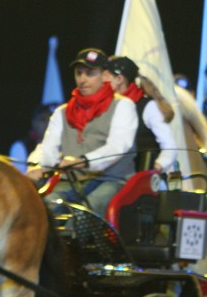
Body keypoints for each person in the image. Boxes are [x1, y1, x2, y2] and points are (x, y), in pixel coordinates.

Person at [26, 48, 138, 218]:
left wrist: (84, 161)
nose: (82, 79)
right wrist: (38, 166)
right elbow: (48, 147)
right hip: (71, 181)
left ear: (105, 76)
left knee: (83, 218)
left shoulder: (123, 106)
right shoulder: (62, 112)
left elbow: (118, 146)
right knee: (42, 212)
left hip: (111, 181)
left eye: (90, 73)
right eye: (79, 73)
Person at [103, 55, 177, 172]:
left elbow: (169, 146)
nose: (101, 80)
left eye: (105, 76)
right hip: (114, 176)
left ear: (119, 79)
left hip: (144, 181)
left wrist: (155, 168)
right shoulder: (105, 107)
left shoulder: (148, 107)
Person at [9, 103, 55, 173]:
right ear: (34, 122)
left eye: (50, 119)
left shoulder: (57, 145)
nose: (47, 123)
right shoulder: (21, 146)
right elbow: (19, 176)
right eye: (43, 119)